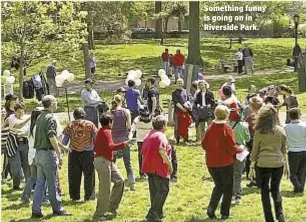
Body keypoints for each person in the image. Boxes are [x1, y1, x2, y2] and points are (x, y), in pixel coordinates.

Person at [31, 95, 71, 218]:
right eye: (56, 102)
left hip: (39, 154)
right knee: (52, 182)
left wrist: (63, 147)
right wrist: (59, 153)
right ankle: (57, 208)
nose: (57, 103)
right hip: (48, 154)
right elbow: (51, 137)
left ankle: (36, 209)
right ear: (52, 104)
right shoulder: (51, 118)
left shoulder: (40, 117)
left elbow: (49, 136)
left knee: (40, 183)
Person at [202, 105, 243, 220]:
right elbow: (231, 148)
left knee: (218, 186)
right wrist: (241, 149)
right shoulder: (226, 129)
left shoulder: (210, 128)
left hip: (211, 162)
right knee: (228, 188)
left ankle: (211, 208)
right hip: (225, 163)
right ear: (227, 115)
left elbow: (204, 144)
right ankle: (225, 213)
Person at [250, 105, 288, 222]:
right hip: (278, 163)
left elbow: (255, 151)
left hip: (263, 164)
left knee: (265, 192)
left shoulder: (259, 132)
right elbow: (284, 149)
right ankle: (280, 214)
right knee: (276, 189)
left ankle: (269, 218)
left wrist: (251, 167)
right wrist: (287, 165)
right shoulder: (281, 130)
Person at [93, 114, 127, 220]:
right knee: (104, 189)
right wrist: (123, 144)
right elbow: (111, 146)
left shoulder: (102, 131)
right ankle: (99, 214)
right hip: (103, 162)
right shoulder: (106, 131)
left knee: (120, 181)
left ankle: (111, 207)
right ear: (109, 122)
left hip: (107, 161)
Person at [62, 108, 97, 201]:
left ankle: (74, 196)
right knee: (89, 175)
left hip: (74, 153)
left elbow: (64, 141)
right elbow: (95, 138)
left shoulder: (70, 125)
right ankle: (89, 196)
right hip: (88, 153)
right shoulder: (90, 125)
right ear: (84, 115)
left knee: (74, 176)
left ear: (74, 115)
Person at [142, 115, 172, 222]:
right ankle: (153, 213)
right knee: (163, 190)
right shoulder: (160, 136)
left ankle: (158, 213)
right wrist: (169, 164)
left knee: (154, 191)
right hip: (158, 167)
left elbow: (143, 151)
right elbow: (161, 151)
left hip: (148, 166)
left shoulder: (149, 135)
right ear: (163, 125)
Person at [21, 107, 49, 204]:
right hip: (38, 154)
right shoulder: (39, 127)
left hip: (31, 155)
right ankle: (43, 198)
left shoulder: (30, 126)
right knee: (43, 177)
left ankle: (25, 196)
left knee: (32, 177)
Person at [110, 95, 136, 190]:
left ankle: (112, 182)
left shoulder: (111, 113)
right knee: (127, 162)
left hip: (113, 139)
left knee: (112, 162)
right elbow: (129, 126)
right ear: (122, 101)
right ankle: (132, 182)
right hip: (124, 138)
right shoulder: (126, 111)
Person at [7, 102, 31, 190]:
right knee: (16, 166)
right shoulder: (11, 118)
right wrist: (29, 118)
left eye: (22, 112)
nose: (21, 114)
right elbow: (18, 126)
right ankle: (16, 185)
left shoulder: (26, 117)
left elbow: (29, 130)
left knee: (26, 165)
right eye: (19, 112)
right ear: (15, 111)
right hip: (14, 143)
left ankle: (29, 183)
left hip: (24, 143)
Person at [229, 109, 250, 205]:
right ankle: (237, 195)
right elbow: (248, 138)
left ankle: (232, 193)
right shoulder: (244, 126)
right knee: (238, 174)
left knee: (231, 173)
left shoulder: (228, 126)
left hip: (230, 150)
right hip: (241, 150)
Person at [284, 108, 306, 194]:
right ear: (299, 115)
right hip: (304, 149)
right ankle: (300, 187)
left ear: (290, 116)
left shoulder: (286, 127)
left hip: (293, 151)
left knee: (293, 172)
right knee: (302, 171)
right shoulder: (304, 126)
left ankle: (298, 187)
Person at [128, 105, 153, 179]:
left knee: (149, 156)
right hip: (140, 140)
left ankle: (149, 171)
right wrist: (130, 137)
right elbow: (132, 130)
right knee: (141, 156)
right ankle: (142, 172)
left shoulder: (152, 119)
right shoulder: (136, 120)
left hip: (149, 140)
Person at [244, 96, 263, 187]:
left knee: (252, 160)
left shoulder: (251, 117)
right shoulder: (267, 115)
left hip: (253, 141)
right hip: (264, 140)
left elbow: (246, 129)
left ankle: (255, 179)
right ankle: (257, 180)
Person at [172, 78, 190, 144]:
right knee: (177, 126)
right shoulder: (174, 92)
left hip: (185, 112)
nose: (180, 84)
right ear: (176, 84)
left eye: (181, 82)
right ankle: (177, 139)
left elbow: (188, 100)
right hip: (177, 111)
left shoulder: (185, 91)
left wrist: (187, 107)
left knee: (185, 125)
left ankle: (186, 139)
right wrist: (182, 108)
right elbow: (176, 102)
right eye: (179, 82)